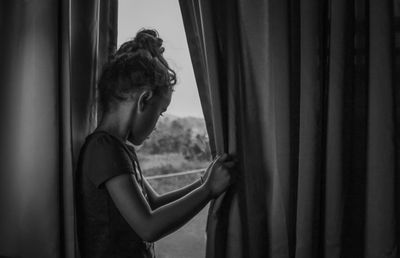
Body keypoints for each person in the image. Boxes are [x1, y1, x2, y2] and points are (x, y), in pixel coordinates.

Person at [75, 29, 236, 258]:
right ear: (144, 100)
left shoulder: (118, 149)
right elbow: (148, 226)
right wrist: (208, 190)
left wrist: (202, 181)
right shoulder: (103, 149)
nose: (157, 124)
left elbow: (154, 204)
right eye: (160, 113)